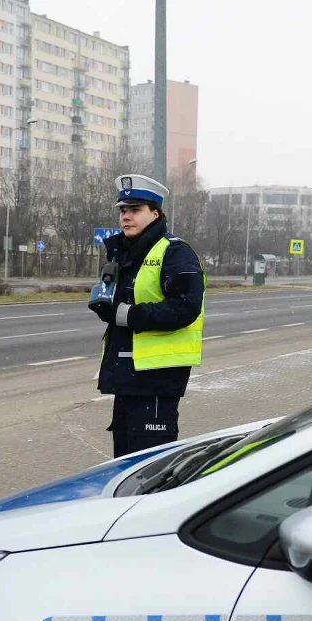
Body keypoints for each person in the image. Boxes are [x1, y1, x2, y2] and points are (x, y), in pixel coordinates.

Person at [88, 174, 206, 457]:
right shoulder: (123, 254)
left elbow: (185, 308)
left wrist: (124, 314)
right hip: (127, 380)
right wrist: (106, 306)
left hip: (156, 382)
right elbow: (123, 306)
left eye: (135, 210)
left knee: (149, 473)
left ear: (155, 213)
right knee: (125, 468)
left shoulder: (175, 252)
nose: (126, 217)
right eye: (123, 210)